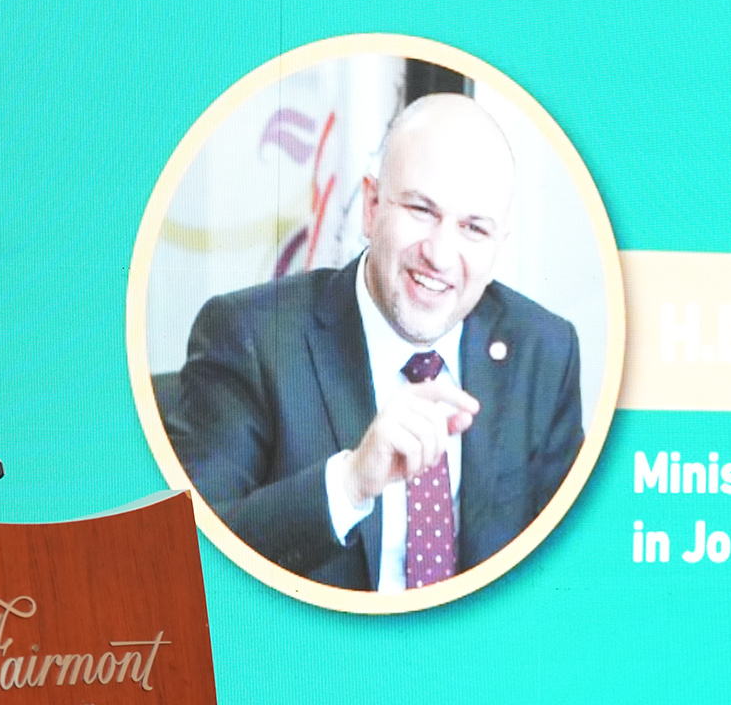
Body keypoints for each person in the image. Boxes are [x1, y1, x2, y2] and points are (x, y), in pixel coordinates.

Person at [169, 92, 584, 591]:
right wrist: (348, 486)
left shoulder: (544, 351)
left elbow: (572, 566)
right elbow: (185, 557)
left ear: (499, 246)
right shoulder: (252, 337)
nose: (439, 255)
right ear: (370, 207)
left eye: (474, 228)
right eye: (421, 209)